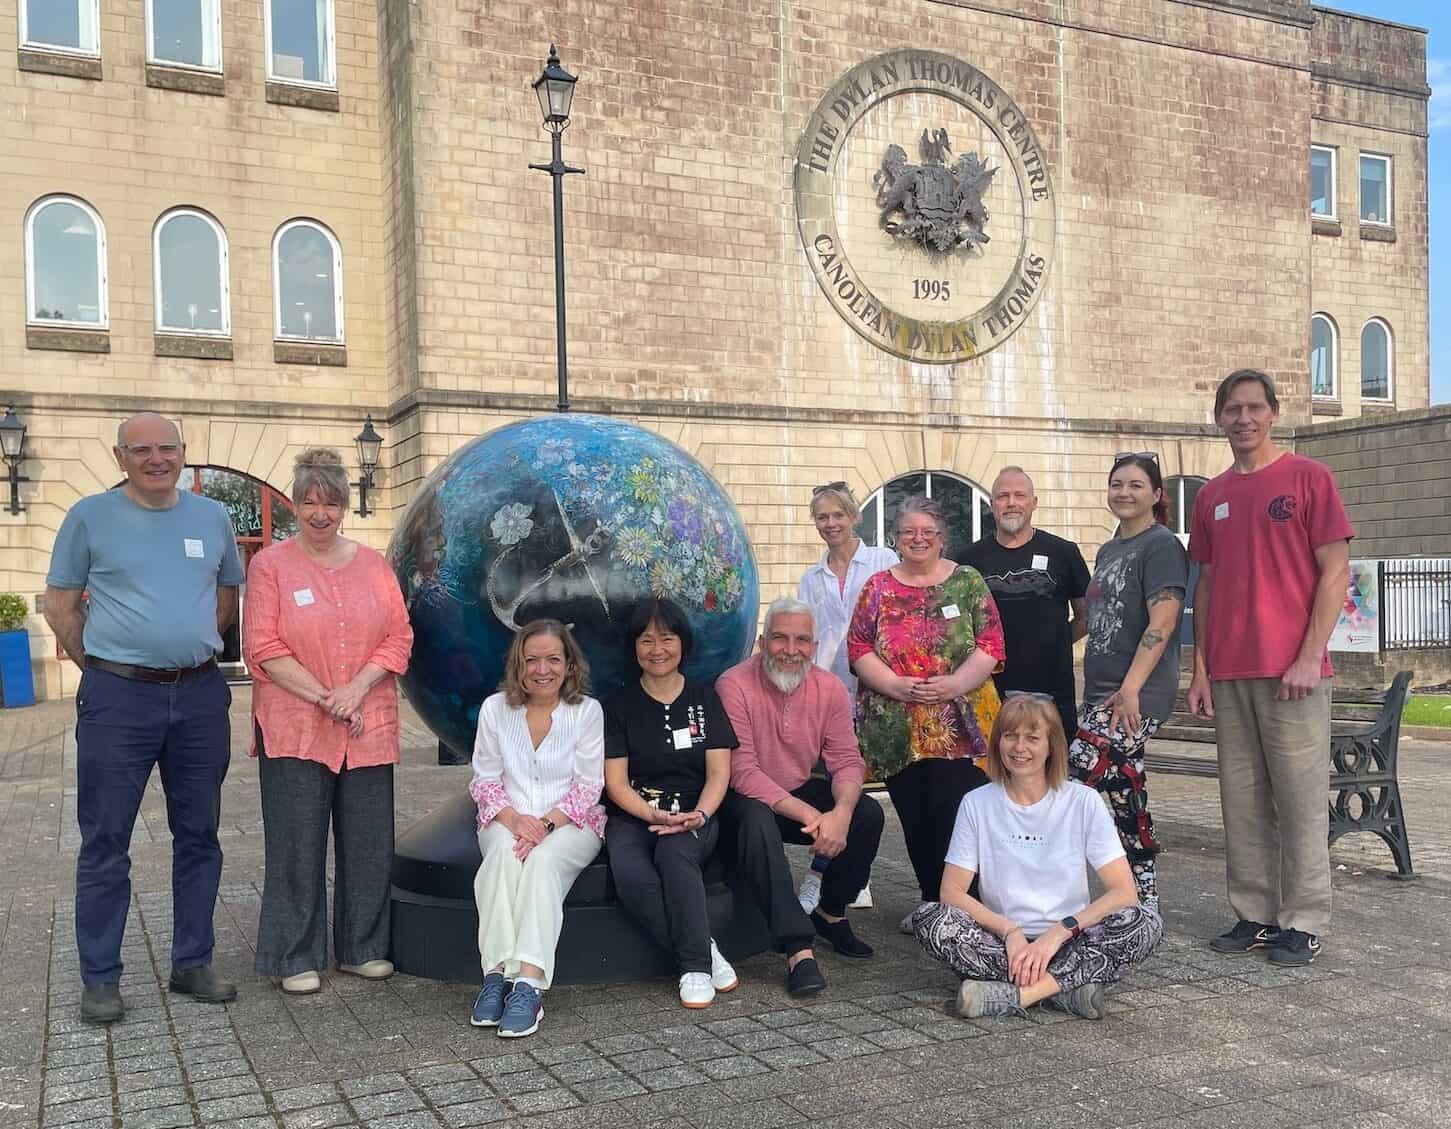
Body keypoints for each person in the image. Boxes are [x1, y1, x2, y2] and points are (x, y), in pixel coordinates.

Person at [44, 412, 244, 1024]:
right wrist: (105, 667)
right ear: (120, 457)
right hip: (118, 702)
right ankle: (101, 978)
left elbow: (226, 599)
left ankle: (192, 962)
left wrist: (185, 647)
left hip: (200, 695)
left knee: (200, 834)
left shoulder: (213, 517)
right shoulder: (89, 517)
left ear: (183, 452)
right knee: (106, 839)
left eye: (167, 448)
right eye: (141, 450)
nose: (156, 459)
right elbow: (59, 606)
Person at [1187, 369, 1353, 966]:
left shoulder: (1309, 478)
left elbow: (1335, 571)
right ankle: (1254, 914)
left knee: (1300, 800)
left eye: (1255, 407)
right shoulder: (1211, 495)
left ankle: (1302, 921)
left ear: (1274, 413)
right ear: (1219, 418)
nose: (1244, 419)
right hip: (1230, 672)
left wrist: (1309, 656)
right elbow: (1206, 585)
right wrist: (1200, 668)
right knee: (1242, 800)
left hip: (1293, 673)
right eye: (1233, 409)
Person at [242, 448, 415, 995]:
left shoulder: (374, 566)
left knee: (368, 841)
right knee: (297, 842)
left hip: (368, 722)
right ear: (294, 505)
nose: (320, 513)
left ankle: (363, 947)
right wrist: (326, 698)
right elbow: (262, 646)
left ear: (344, 507)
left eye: (331, 503)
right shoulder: (269, 566)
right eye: (309, 502)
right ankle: (294, 954)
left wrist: (355, 690)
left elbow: (399, 636)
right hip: (294, 724)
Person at [912, 695, 1163, 1019]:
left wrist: (1058, 933)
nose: (1019, 748)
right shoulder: (976, 803)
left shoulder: (1083, 801)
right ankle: (1068, 989)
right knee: (930, 919)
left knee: (1145, 922)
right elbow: (952, 892)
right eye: (1010, 736)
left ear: (1051, 746)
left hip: (1070, 939)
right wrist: (1010, 932)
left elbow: (1124, 892)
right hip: (1002, 943)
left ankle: (1018, 995)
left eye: (1032, 738)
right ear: (998, 741)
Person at [848, 495, 1005, 931]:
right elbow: (858, 646)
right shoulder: (877, 587)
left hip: (961, 726)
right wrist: (893, 684)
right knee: (915, 815)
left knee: (955, 814)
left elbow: (991, 643)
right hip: (896, 725)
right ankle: (931, 900)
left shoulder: (967, 581)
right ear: (896, 538)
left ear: (941, 537)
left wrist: (954, 684)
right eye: (908, 532)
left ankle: (967, 905)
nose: (918, 539)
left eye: (927, 532)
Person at [716, 598, 885, 996]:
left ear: (814, 646)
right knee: (757, 818)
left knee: (867, 814)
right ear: (761, 643)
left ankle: (830, 913)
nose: (791, 650)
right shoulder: (733, 684)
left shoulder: (829, 688)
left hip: (794, 789)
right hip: (743, 799)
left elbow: (846, 760)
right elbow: (742, 771)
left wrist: (840, 813)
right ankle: (797, 947)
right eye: (780, 638)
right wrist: (813, 816)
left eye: (802, 640)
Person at [468, 620, 605, 1037]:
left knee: (542, 863)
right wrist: (514, 820)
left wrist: (544, 825)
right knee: (501, 858)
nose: (542, 669)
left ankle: (528, 984)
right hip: (504, 817)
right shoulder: (495, 709)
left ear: (569, 664)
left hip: (571, 822)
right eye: (531, 660)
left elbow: (589, 786)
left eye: (553, 659)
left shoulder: (587, 712)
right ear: (518, 665)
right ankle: (495, 976)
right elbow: (484, 780)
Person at [602, 598, 739, 1008]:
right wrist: (651, 814)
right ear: (633, 647)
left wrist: (700, 814)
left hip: (694, 810)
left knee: (676, 855)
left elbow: (719, 774)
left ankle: (694, 968)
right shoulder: (618, 706)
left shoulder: (705, 699)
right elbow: (616, 782)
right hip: (633, 814)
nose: (657, 649)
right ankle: (704, 947)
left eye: (666, 638)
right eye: (646, 640)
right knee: (632, 877)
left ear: (683, 643)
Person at [1068, 453, 1187, 908]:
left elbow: (1164, 619)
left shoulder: (1161, 546)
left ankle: (1044, 896)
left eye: (1136, 485)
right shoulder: (1110, 549)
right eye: (1117, 484)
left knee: (1071, 785)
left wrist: (1131, 688)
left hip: (1134, 693)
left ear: (1156, 494)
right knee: (1125, 794)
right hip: (1101, 692)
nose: (1124, 492)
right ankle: (1143, 899)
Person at [795, 481, 897, 913]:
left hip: (880, 692)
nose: (831, 523)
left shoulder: (883, 561)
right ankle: (829, 875)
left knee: (872, 789)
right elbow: (807, 637)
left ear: (854, 517)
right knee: (835, 785)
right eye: (823, 517)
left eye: (838, 515)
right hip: (830, 697)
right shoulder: (811, 578)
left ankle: (859, 872)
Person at [961, 466, 1090, 741]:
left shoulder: (1064, 552)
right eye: (1003, 496)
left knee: (1052, 762)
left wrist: (1055, 642)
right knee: (991, 762)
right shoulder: (967, 560)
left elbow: (1087, 615)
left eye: (1019, 496)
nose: (1011, 503)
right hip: (986, 690)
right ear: (992, 504)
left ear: (1034, 502)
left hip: (1052, 689)